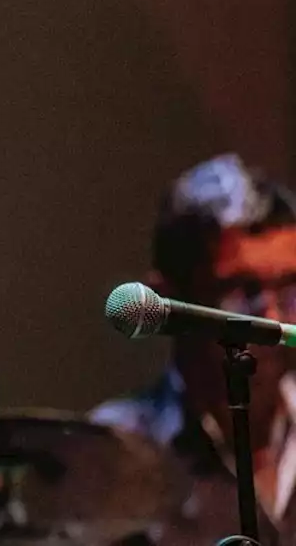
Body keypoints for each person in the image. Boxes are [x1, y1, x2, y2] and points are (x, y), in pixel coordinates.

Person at [91, 153, 296, 544]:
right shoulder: (110, 452)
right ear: (170, 298)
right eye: (242, 290)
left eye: (289, 288)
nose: (272, 316)